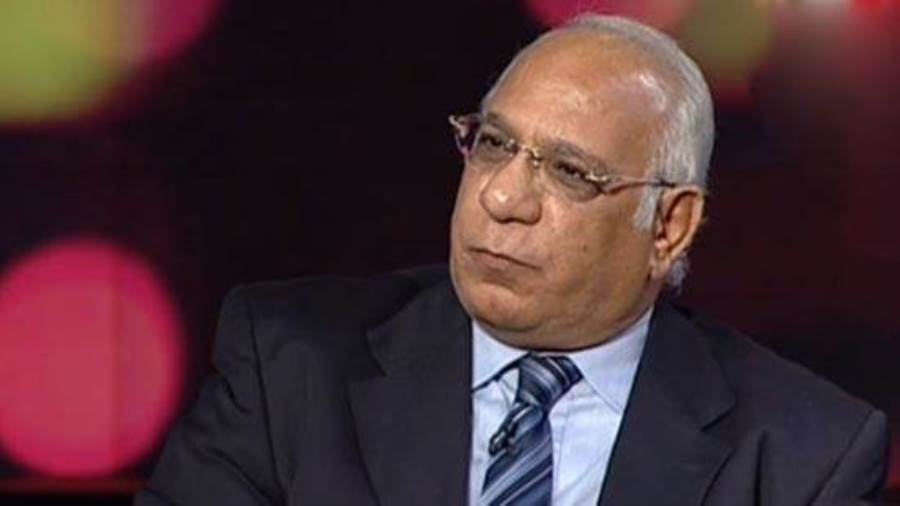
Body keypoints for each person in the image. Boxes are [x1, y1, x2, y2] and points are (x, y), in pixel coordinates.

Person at [135, 14, 889, 506]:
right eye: (493, 144)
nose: (501, 198)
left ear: (669, 226)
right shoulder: (288, 367)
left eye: (570, 172)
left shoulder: (804, 459)